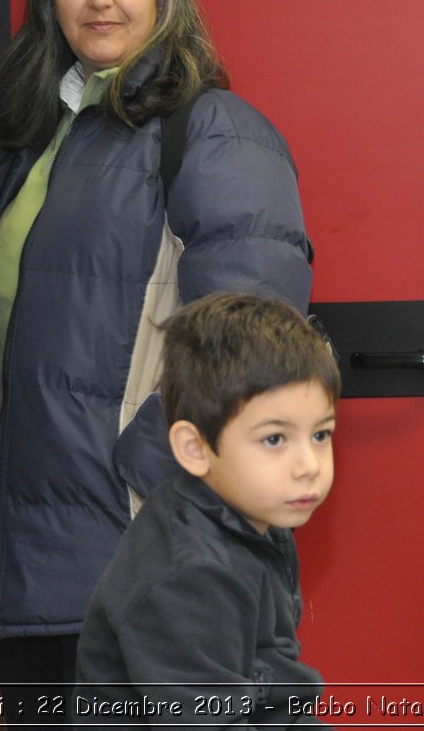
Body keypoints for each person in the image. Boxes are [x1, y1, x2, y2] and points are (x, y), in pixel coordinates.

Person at [0, 0, 314, 713]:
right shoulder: (36, 142)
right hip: (27, 556)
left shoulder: (214, 130)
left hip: (146, 555)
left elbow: (252, 342)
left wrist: (147, 482)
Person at [75, 292, 339, 725]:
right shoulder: (188, 572)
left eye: (321, 435)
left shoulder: (251, 519)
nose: (308, 466)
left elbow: (273, 693)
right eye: (275, 439)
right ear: (195, 448)